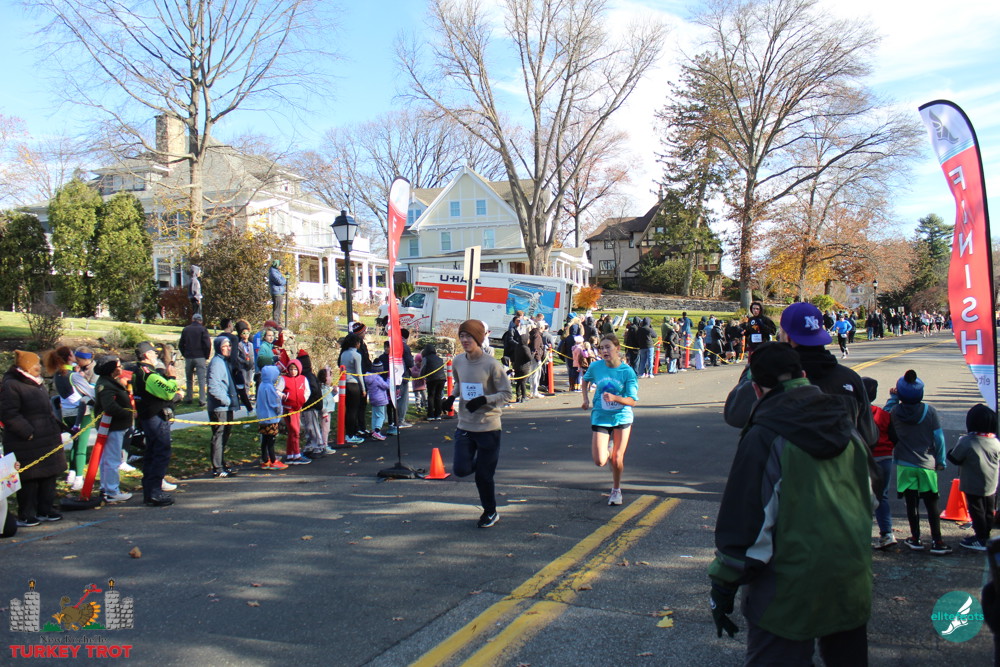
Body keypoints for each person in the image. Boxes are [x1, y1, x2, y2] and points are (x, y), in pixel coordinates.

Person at [709, 342, 872, 664]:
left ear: (757, 389)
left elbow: (746, 520)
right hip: (850, 576)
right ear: (803, 374)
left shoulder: (766, 435)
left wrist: (724, 584)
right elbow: (870, 495)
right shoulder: (846, 426)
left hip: (788, 587)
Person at [724, 302, 877, 448]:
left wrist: (752, 369)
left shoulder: (772, 375)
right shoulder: (850, 378)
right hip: (842, 463)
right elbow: (869, 436)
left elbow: (735, 414)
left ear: (787, 337)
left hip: (783, 463)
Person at [445, 320, 512, 528]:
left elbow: (506, 394)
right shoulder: (458, 361)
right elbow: (459, 384)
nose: (465, 340)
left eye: (469, 336)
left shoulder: (491, 364)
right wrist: (451, 397)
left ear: (479, 338)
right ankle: (482, 464)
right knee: (461, 469)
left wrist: (484, 400)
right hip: (465, 425)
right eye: (462, 336)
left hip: (488, 427)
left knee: (484, 476)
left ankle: (490, 512)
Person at [887, 369, 950, 554]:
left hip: (905, 464)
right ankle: (937, 541)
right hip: (927, 464)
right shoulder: (930, 411)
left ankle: (915, 538)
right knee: (932, 504)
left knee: (911, 503)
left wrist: (893, 398)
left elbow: (884, 415)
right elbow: (939, 438)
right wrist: (941, 460)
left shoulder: (895, 411)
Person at [1, 351, 67, 526]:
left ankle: (45, 509)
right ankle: (27, 513)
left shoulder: (36, 383)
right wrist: (26, 431)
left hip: (46, 437)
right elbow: (9, 413)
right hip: (26, 441)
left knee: (48, 475)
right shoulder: (11, 385)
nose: (39, 367)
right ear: (25, 366)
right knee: (29, 477)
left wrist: (56, 426)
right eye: (35, 364)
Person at [581, 334, 639, 506]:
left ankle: (616, 490)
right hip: (601, 415)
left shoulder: (627, 372)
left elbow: (632, 401)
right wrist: (585, 399)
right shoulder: (596, 366)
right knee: (600, 461)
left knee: (617, 458)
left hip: (622, 416)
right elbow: (585, 380)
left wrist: (615, 398)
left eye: (608, 347)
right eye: (601, 348)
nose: (604, 351)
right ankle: (609, 448)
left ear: (617, 349)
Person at [133, 342, 183, 506]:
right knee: (160, 453)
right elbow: (168, 392)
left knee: (151, 453)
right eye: (154, 353)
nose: (156, 355)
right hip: (155, 417)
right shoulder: (149, 374)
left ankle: (150, 490)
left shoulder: (139, 371)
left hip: (147, 417)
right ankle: (154, 491)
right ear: (147, 355)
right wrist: (172, 378)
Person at [947, 404, 1000, 551]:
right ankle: (986, 535)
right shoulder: (995, 442)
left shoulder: (967, 441)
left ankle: (981, 538)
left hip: (972, 483)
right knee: (988, 510)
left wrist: (950, 451)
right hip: (991, 483)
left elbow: (955, 458)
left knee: (976, 511)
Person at [93, 355, 133, 503]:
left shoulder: (110, 382)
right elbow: (109, 406)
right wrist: (127, 413)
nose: (120, 368)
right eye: (118, 366)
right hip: (113, 427)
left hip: (115, 426)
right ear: (111, 370)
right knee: (112, 459)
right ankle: (111, 490)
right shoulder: (106, 385)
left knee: (107, 459)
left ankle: (106, 487)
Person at [863, 377, 897, 550]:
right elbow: (894, 436)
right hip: (885, 458)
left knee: (862, 496)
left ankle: (861, 535)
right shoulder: (883, 414)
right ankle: (887, 533)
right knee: (881, 496)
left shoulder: (857, 413)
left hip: (866, 459)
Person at [207, 335, 239, 477]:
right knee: (218, 436)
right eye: (224, 346)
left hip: (227, 407)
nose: (228, 349)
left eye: (229, 346)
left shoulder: (224, 362)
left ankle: (221, 463)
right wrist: (226, 400)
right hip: (219, 408)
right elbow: (213, 386)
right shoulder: (216, 363)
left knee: (224, 436)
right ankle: (217, 467)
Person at [255, 365, 288, 470]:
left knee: (264, 440)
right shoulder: (269, 387)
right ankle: (273, 460)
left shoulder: (261, 385)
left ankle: (265, 460)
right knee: (271, 440)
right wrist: (279, 410)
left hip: (262, 418)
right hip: (271, 418)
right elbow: (274, 402)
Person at [282, 359, 311, 465]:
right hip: (289, 409)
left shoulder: (303, 379)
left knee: (292, 432)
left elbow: (307, 391)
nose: (293, 371)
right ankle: (297, 454)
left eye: (295, 369)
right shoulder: (284, 379)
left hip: (297, 408)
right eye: (291, 369)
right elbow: (278, 391)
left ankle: (290, 455)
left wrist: (302, 400)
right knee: (295, 431)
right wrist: (285, 397)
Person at [339, 333, 366, 444]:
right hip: (354, 384)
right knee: (353, 411)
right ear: (356, 343)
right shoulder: (357, 355)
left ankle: (347, 433)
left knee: (348, 410)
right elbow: (359, 373)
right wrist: (363, 388)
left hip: (344, 383)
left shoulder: (343, 353)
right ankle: (351, 434)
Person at [178, 313, 210, 406]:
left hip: (189, 356)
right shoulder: (203, 329)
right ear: (201, 321)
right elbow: (207, 344)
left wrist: (185, 354)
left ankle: (189, 397)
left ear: (192, 320)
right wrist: (206, 356)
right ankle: (202, 399)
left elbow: (181, 344)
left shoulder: (186, 329)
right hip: (200, 356)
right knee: (201, 379)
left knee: (189, 379)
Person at [365, 361, 391, 440]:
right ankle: (377, 430)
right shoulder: (377, 378)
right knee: (381, 416)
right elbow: (386, 386)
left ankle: (374, 431)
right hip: (380, 399)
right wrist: (389, 379)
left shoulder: (368, 377)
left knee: (375, 416)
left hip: (373, 399)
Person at [421, 344, 447, 421]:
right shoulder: (440, 359)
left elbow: (423, 368)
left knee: (431, 396)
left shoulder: (426, 358)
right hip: (442, 379)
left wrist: (421, 376)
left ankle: (430, 415)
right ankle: (438, 414)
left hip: (431, 379)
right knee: (438, 396)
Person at [269, 259, 287, 325]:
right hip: (277, 292)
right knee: (277, 309)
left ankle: (278, 323)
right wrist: (285, 280)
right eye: (280, 265)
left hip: (279, 292)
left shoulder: (276, 272)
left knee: (279, 309)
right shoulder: (273, 272)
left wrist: (283, 279)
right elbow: (280, 281)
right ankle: (275, 324)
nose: (281, 266)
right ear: (277, 265)